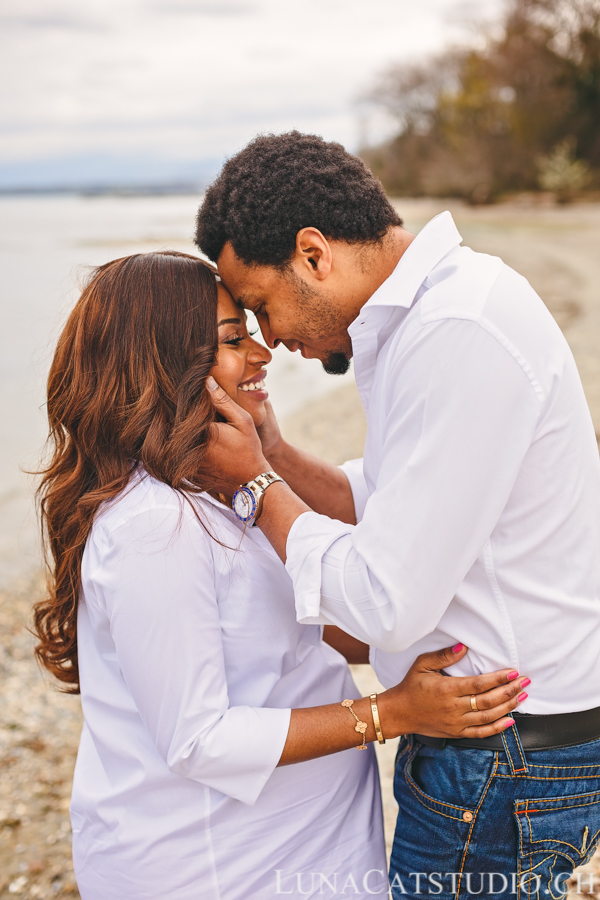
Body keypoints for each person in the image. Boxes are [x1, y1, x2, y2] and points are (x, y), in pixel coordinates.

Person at [33, 251, 525, 900]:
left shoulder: (214, 488)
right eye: (235, 339)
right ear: (165, 362)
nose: (264, 354)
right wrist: (394, 712)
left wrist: (445, 637)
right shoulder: (156, 522)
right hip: (214, 865)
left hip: (284, 844)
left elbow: (280, 629)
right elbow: (198, 739)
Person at [194, 131, 600, 898]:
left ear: (313, 253)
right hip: (506, 746)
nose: (270, 340)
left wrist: (254, 486)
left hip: (506, 757)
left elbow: (386, 596)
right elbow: (388, 510)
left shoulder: (456, 330)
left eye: (261, 307)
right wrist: (274, 449)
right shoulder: (436, 317)